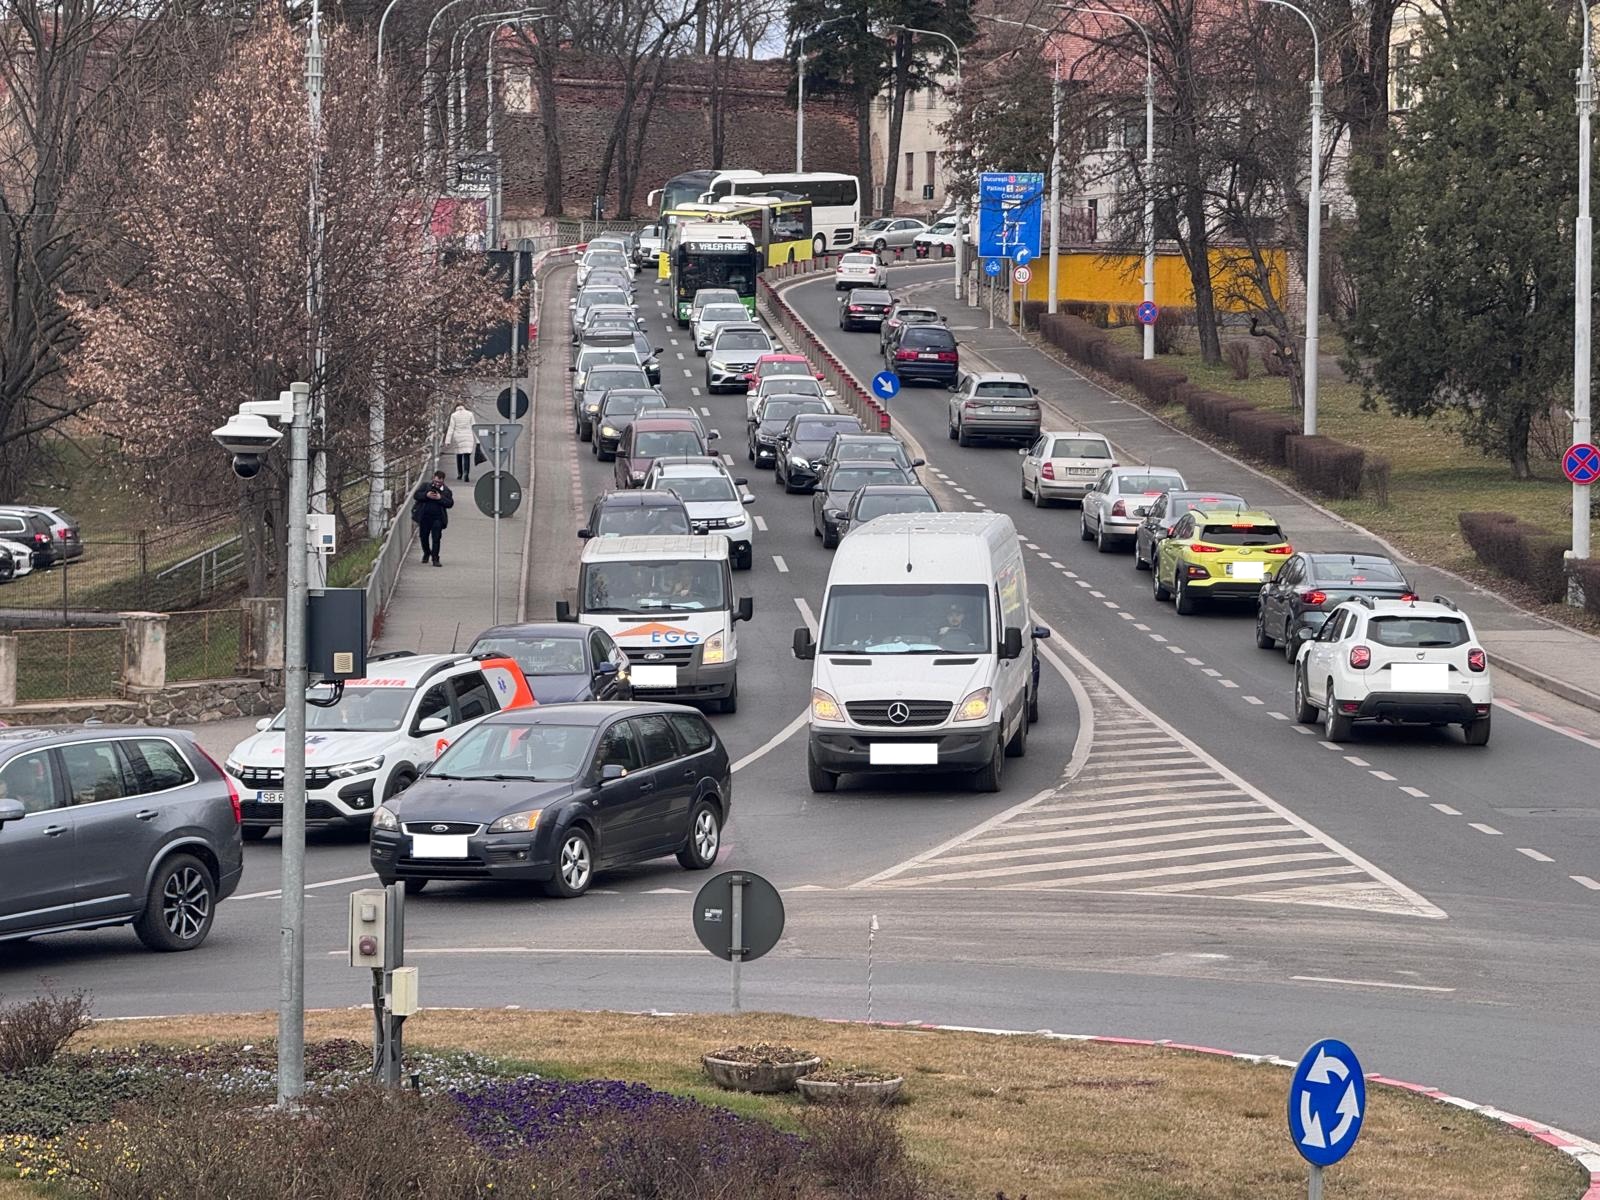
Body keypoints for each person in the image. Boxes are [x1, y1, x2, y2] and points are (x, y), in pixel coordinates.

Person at [413, 471, 454, 567]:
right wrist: (426, 495)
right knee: (423, 537)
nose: (436, 484)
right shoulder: (425, 486)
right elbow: (416, 496)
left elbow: (450, 503)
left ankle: (435, 558)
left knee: (436, 538)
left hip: (437, 518)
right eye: (435, 482)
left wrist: (440, 498)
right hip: (425, 516)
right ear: (433, 479)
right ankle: (427, 552)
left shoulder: (447, 491)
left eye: (439, 483)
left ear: (443, 481)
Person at [445, 400, 476, 482]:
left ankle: (460, 473)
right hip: (468, 436)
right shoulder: (470, 414)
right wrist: (478, 440)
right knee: (467, 455)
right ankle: (466, 473)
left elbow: (451, 428)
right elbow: (474, 426)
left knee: (459, 455)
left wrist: (447, 440)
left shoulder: (454, 415)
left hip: (458, 437)